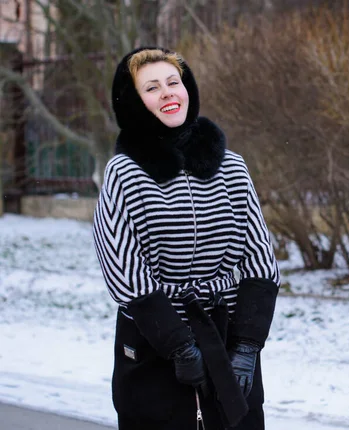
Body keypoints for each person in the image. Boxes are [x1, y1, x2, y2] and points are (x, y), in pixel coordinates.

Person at [93, 47, 280, 430]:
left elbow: (259, 258)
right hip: (154, 344)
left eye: (173, 82)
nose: (167, 93)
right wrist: (177, 343)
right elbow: (123, 268)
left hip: (227, 339)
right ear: (133, 102)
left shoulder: (232, 167)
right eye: (152, 87)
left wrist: (246, 346)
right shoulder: (124, 173)